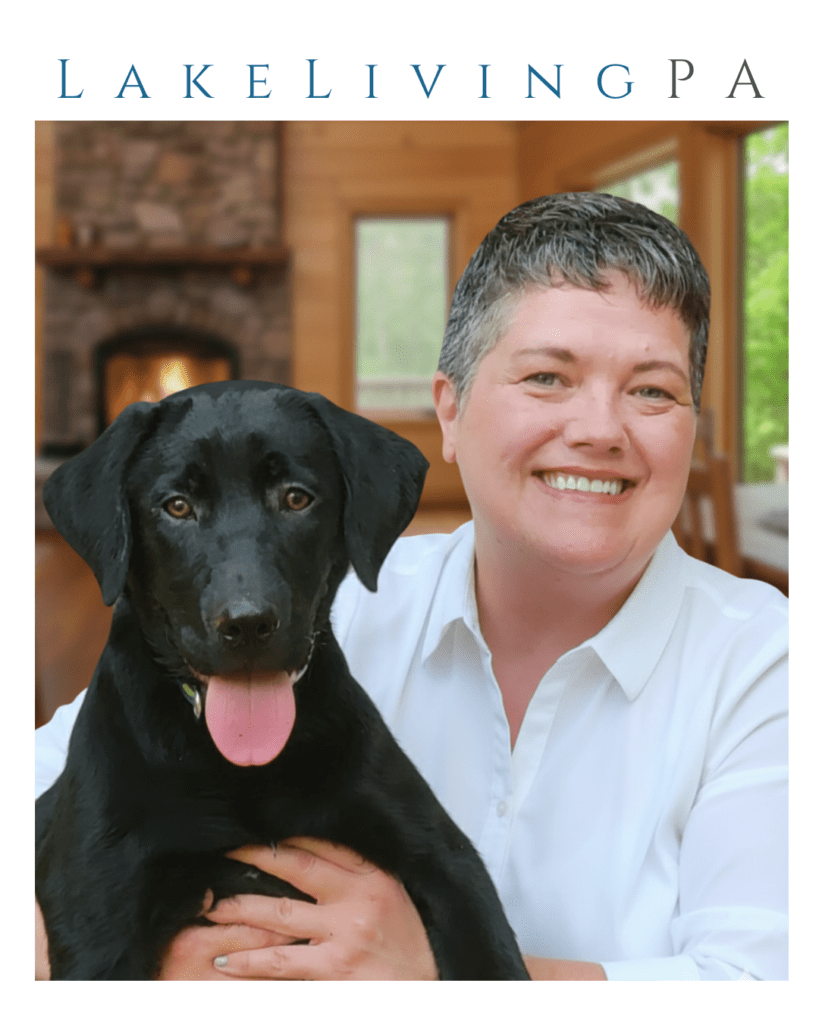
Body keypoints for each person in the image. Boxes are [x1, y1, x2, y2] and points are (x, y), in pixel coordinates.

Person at [35, 193, 788, 981]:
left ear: (692, 425)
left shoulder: (767, 666)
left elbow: (760, 989)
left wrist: (431, 975)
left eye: (652, 391)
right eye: (546, 377)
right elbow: (52, 780)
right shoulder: (340, 604)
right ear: (450, 412)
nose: (599, 429)